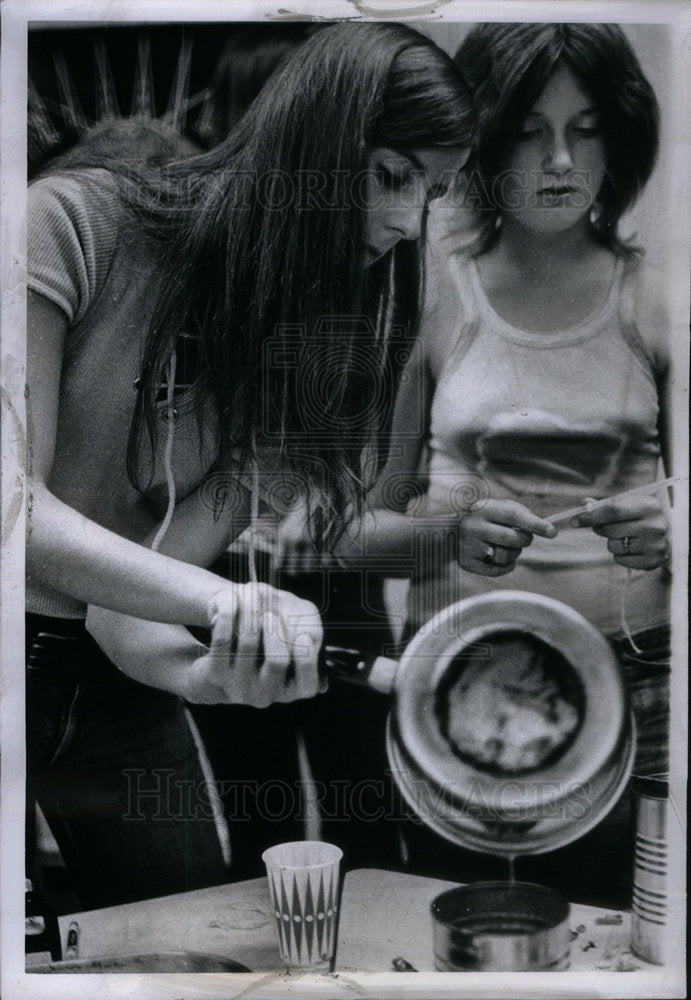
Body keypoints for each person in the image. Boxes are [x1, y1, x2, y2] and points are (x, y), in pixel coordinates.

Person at [25, 21, 475, 910]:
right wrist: (228, 599)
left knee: (185, 941)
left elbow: (123, 611)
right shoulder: (65, 224)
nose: (406, 221)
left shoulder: (285, 376)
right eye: (391, 175)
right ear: (309, 135)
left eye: (434, 191)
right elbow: (12, 513)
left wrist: (203, 673)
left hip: (115, 703)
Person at [347, 23, 671, 907]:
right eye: (527, 129)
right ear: (482, 140)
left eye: (588, 126)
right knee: (460, 931)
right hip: (456, 688)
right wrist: (447, 533)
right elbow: (355, 539)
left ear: (623, 136)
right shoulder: (426, 290)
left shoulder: (659, 298)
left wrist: (673, 535)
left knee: (628, 942)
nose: (560, 158)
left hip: (640, 685)